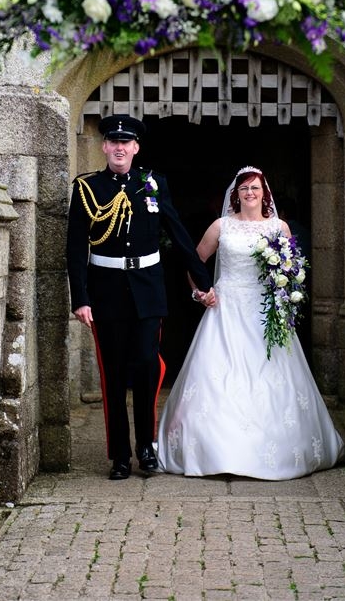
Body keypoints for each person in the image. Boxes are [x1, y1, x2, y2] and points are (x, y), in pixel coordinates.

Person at [156, 166, 345, 480]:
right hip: (226, 310)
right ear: (236, 194)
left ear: (264, 193)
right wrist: (200, 293)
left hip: (265, 313)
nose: (249, 194)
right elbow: (194, 261)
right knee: (218, 377)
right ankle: (215, 451)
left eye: (255, 188)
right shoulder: (221, 226)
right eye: (244, 189)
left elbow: (292, 270)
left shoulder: (278, 227)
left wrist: (285, 296)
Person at [66, 114, 216, 480]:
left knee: (148, 368)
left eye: (126, 142)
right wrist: (80, 298)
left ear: (136, 147)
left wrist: (202, 280)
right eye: (113, 142)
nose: (119, 147)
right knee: (113, 374)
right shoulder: (88, 189)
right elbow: (75, 248)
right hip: (106, 293)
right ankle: (119, 454)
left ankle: (146, 447)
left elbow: (179, 235)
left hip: (148, 292)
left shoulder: (152, 184)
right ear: (104, 147)